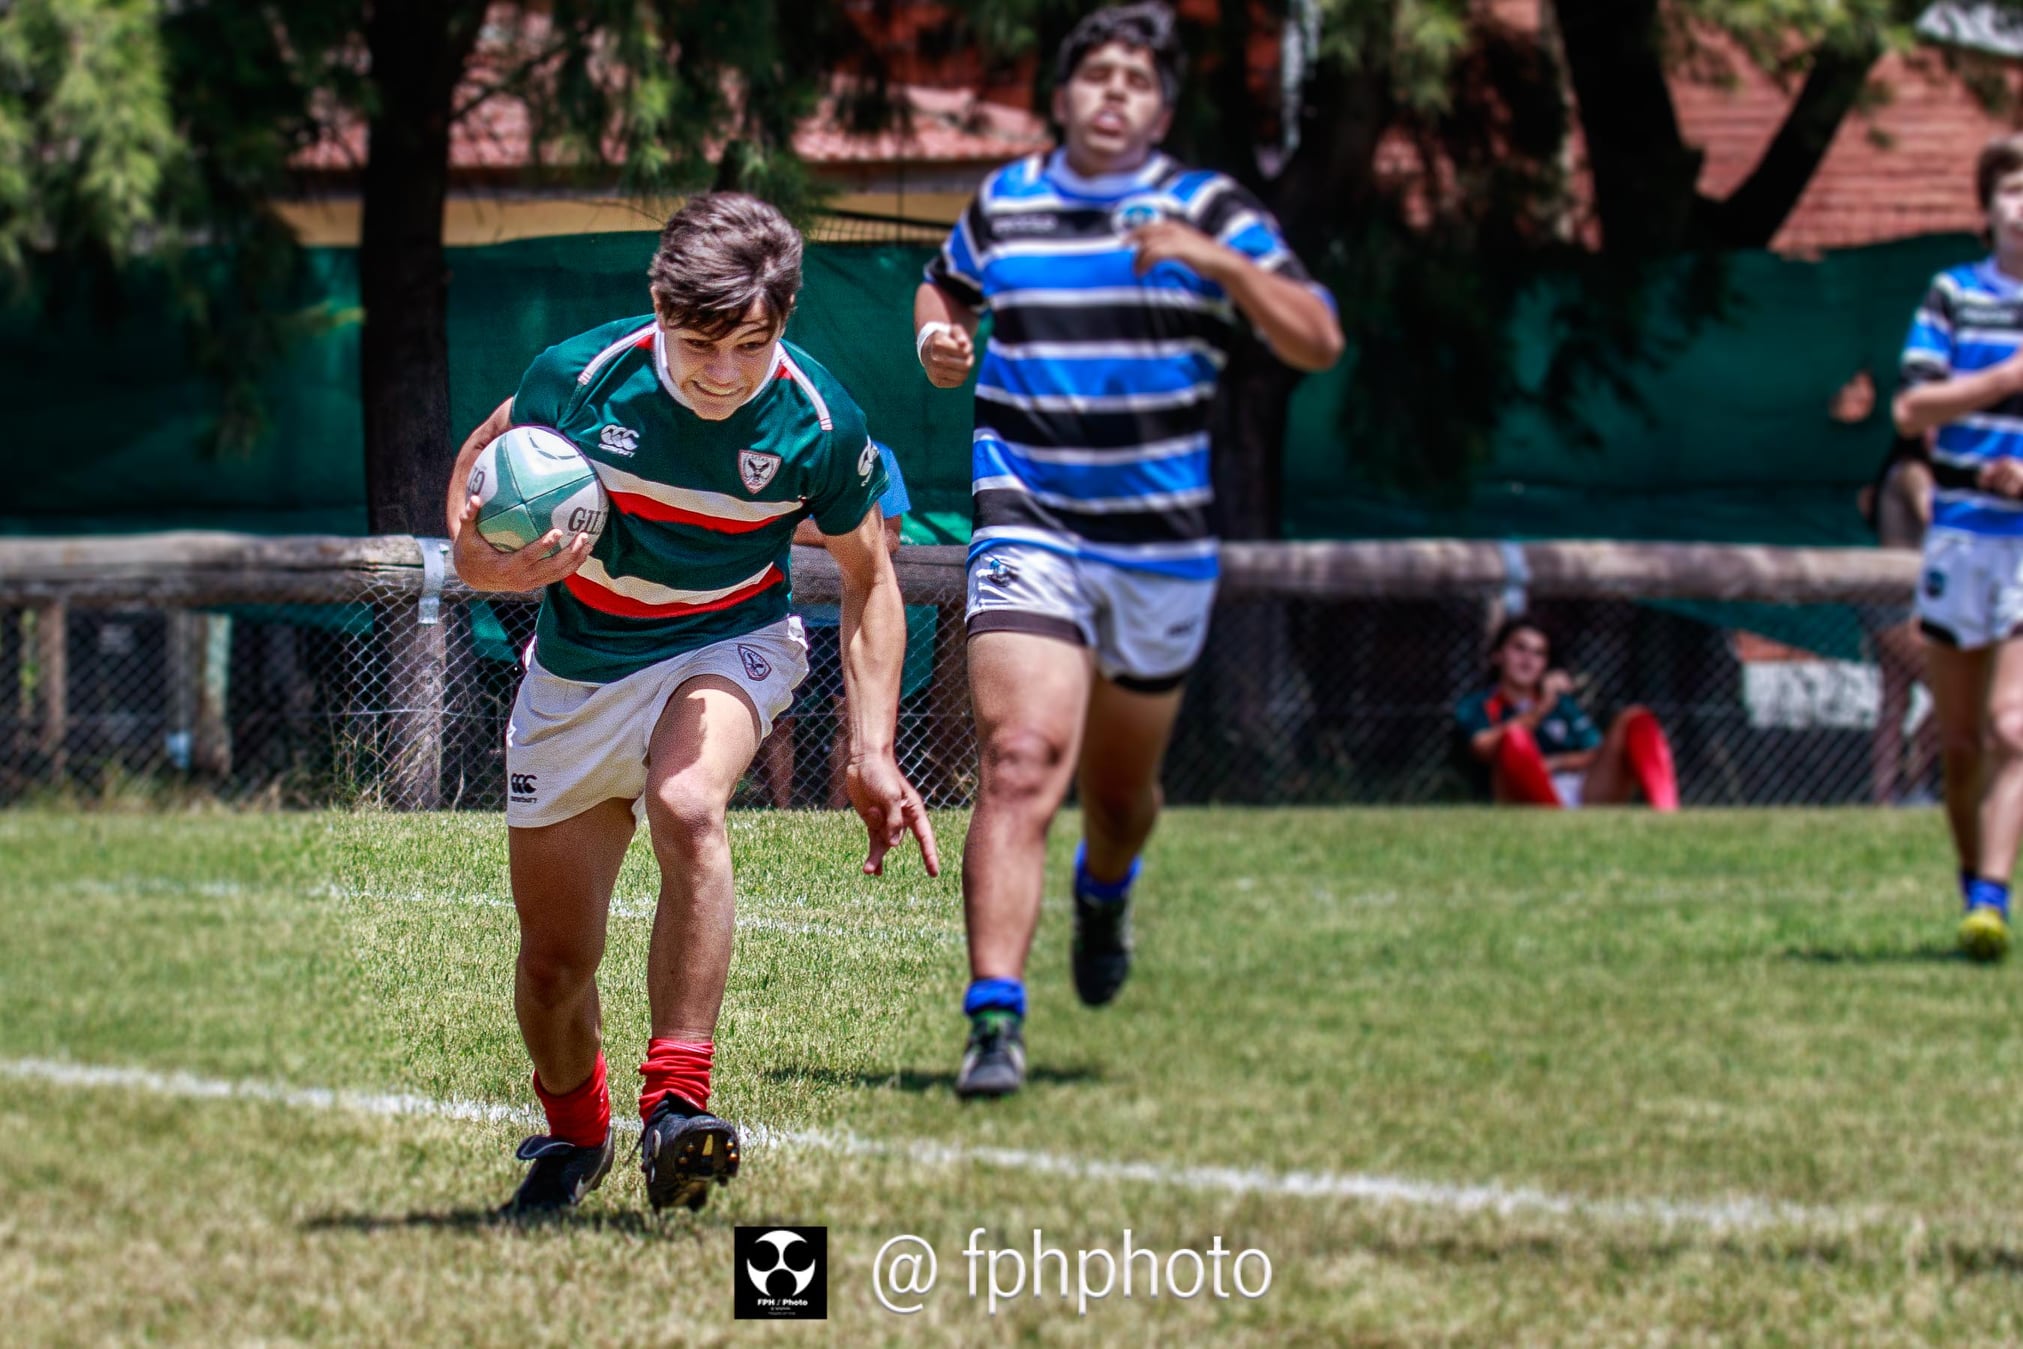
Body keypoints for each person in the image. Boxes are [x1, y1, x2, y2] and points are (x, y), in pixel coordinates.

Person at [445, 192, 938, 1215]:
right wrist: (482, 559)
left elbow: (871, 576)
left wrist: (873, 744)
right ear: (657, 308)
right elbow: (480, 468)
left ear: (783, 325)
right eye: (699, 343)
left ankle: (678, 1104)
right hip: (579, 669)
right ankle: (574, 1138)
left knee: (685, 798)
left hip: (729, 638)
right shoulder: (577, 378)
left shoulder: (819, 423)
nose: (723, 373)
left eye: (750, 346)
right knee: (552, 966)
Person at [914, 2, 1344, 1097]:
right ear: (1062, 96)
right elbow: (946, 281)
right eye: (1095, 74)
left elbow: (1316, 336)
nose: (1114, 92)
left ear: (1161, 105)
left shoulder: (1208, 205)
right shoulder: (1007, 200)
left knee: (1118, 794)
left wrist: (1219, 263)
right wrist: (937, 334)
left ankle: (1106, 889)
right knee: (1018, 761)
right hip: (1029, 509)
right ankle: (993, 1020)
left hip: (1155, 539)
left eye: (1136, 80)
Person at [1893, 132, 2023, 961]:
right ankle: (1971, 870)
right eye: (2010, 189)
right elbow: (1911, 412)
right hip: (1958, 538)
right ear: (1985, 208)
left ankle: (1991, 898)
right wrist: (2006, 379)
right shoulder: (1951, 294)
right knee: (1958, 742)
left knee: (2015, 726)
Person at [761, 441, 910, 809]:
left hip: (848, 620)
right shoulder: (785, 447)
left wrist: (810, 529)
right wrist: (852, 533)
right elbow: (775, 527)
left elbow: (890, 535)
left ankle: (840, 810)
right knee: (780, 720)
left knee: (849, 719)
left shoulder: (879, 457)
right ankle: (782, 811)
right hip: (785, 614)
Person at [1454, 616, 1679, 810]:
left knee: (1635, 717)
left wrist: (1555, 763)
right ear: (1498, 655)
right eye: (1519, 649)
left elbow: (1595, 751)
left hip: (1582, 791)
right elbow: (1482, 748)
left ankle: (1667, 813)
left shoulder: (1561, 704)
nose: (1528, 660)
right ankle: (1553, 819)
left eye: (1538, 653)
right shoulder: (1478, 704)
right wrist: (1539, 711)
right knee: (1515, 738)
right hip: (1519, 794)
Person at [1857, 433, 1939, 806]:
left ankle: (1885, 797)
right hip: (1901, 607)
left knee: (1894, 703)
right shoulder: (1912, 473)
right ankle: (1917, 780)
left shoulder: (1893, 472)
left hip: (1889, 601)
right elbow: (1932, 514)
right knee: (1963, 692)